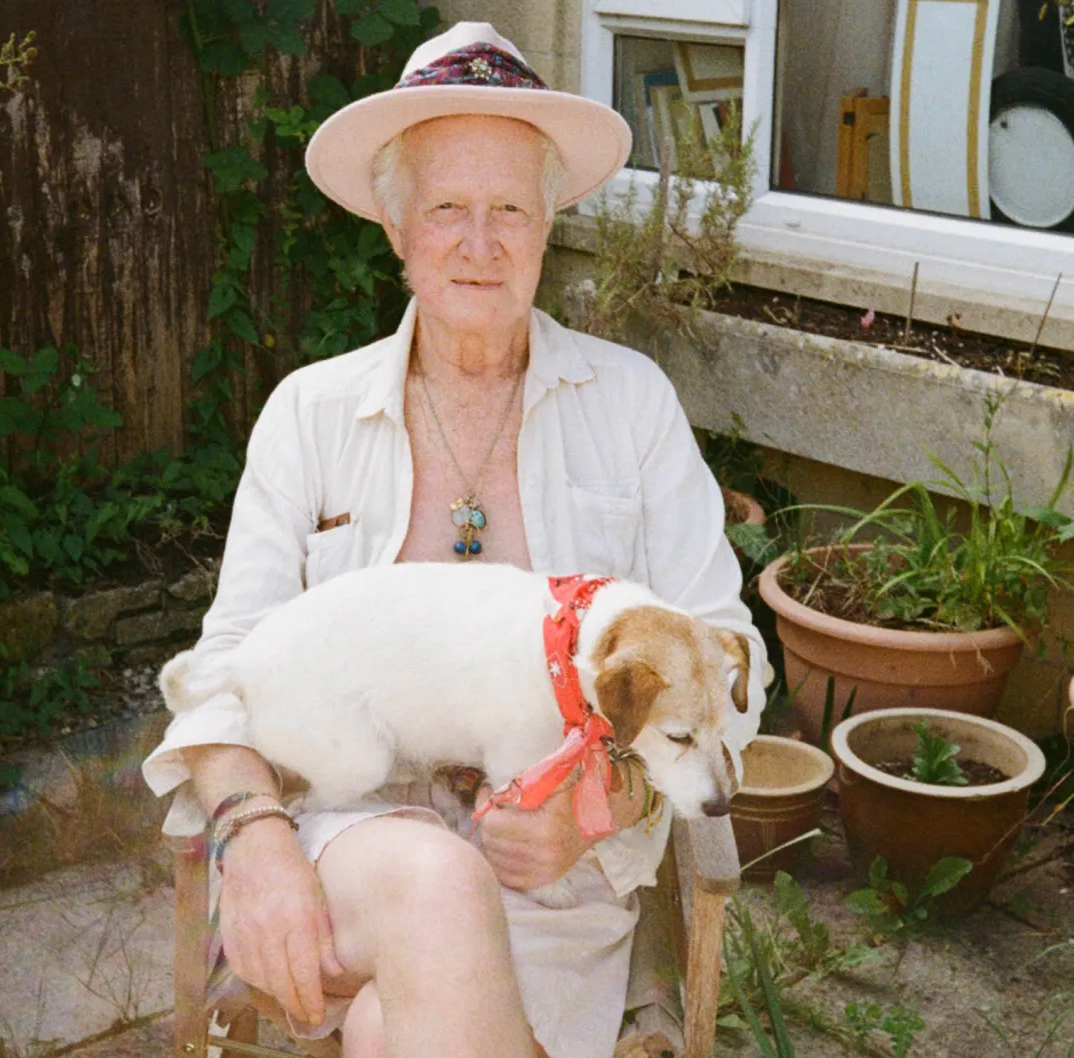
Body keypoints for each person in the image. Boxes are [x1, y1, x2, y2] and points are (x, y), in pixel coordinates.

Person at [142, 21, 766, 1058]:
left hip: (550, 878)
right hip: (340, 849)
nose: (479, 243)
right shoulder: (310, 412)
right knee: (434, 881)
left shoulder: (629, 404)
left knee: (397, 1026)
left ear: (548, 222)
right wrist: (251, 839)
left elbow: (719, 649)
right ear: (395, 227)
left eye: (508, 209)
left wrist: (596, 811)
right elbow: (224, 671)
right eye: (445, 209)